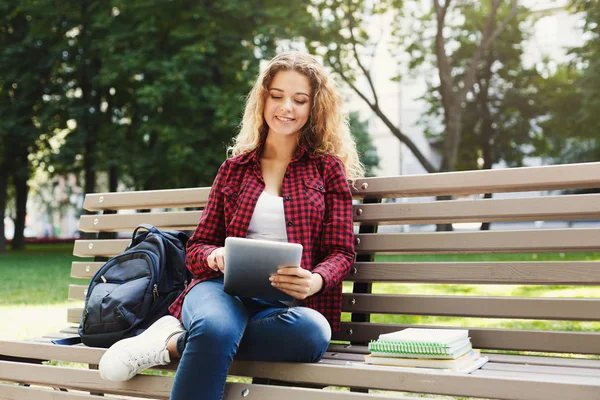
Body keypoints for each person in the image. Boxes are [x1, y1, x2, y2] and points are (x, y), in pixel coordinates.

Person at [98, 51, 364, 399]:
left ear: (314, 108)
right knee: (217, 326)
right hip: (219, 290)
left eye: (300, 100)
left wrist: (316, 280)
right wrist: (216, 256)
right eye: (277, 95)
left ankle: (172, 343)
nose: (287, 107)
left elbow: (341, 251)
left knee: (312, 333)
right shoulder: (234, 170)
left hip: (286, 306)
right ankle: (203, 334)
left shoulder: (327, 171)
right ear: (263, 98)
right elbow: (196, 248)